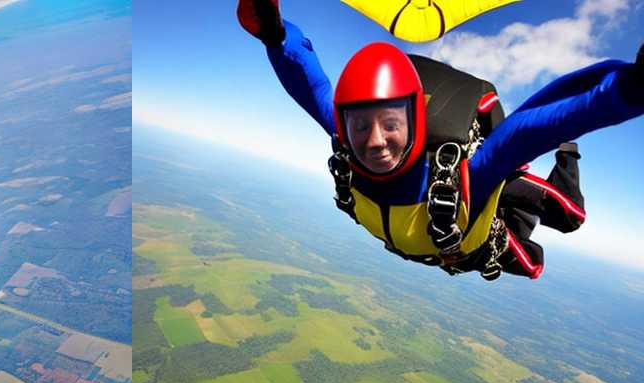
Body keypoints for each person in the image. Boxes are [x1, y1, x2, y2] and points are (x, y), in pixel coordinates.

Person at [237, 0, 644, 278]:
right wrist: (275, 34)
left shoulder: (464, 178)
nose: (375, 141)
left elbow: (528, 130)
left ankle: (569, 156)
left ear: (414, 120)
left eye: (390, 124)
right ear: (347, 124)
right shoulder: (349, 139)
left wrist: (629, 90)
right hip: (450, 232)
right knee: (536, 243)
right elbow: (311, 85)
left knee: (567, 217)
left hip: (479, 216)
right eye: (361, 126)